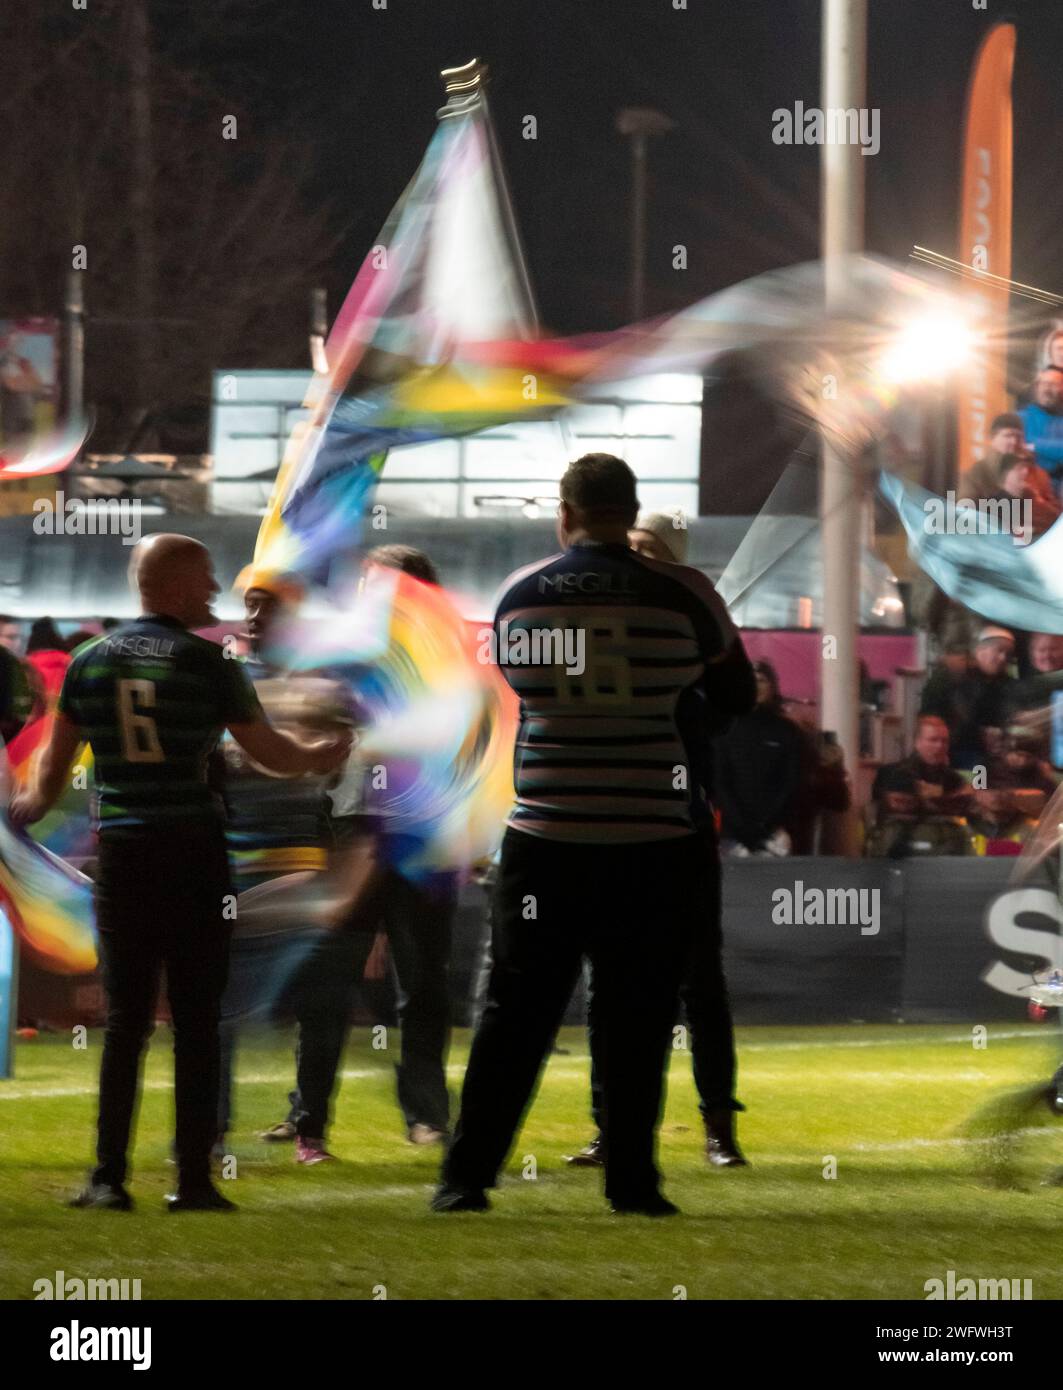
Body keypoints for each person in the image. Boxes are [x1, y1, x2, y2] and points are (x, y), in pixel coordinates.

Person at [434, 453, 756, 1216]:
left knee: (515, 1013)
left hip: (546, 836)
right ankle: (633, 1184)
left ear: (565, 511)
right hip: (650, 837)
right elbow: (735, 694)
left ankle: (464, 1178)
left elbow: (520, 694)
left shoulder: (521, 597)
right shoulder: (682, 593)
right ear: (631, 509)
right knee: (636, 1013)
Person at [9, 534, 350, 1213]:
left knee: (126, 1019)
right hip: (194, 854)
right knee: (198, 1020)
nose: (214, 592)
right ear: (169, 586)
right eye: (205, 580)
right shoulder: (208, 663)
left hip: (125, 859)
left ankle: (108, 1178)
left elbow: (49, 773)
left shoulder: (87, 663)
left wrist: (20, 815)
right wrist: (323, 751)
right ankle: (191, 1180)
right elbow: (271, 753)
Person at [565, 508, 752, 1175]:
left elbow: (732, 705)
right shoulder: (625, 631)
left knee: (700, 985)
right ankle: (610, 1127)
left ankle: (718, 1128)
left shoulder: (687, 627)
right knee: (606, 987)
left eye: (643, 549)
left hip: (679, 823)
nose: (628, 560)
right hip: (613, 821)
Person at [259, 544, 458, 1156]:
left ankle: (425, 1117)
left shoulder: (449, 667)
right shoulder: (343, 657)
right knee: (327, 981)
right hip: (351, 827)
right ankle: (308, 1117)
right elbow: (307, 731)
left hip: (424, 836)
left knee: (421, 986)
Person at [215, 570, 356, 1163]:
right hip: (233, 864)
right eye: (248, 607)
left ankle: (309, 1131)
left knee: (322, 1005)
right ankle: (210, 1129)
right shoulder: (224, 683)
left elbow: (337, 772)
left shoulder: (323, 689)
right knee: (216, 1007)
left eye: (265, 607)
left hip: (302, 861)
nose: (253, 619)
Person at [714, 660, 805, 856]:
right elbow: (719, 780)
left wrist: (765, 824)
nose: (756, 686)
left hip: (773, 836)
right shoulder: (724, 729)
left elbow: (790, 782)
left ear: (773, 686)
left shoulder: (787, 732)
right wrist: (741, 825)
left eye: (762, 680)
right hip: (732, 836)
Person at [919, 626, 1018, 769]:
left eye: (1008, 654)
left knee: (982, 783)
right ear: (981, 650)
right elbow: (929, 714)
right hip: (947, 749)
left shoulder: (1005, 685)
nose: (1003, 658)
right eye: (999, 651)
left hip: (982, 756)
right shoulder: (950, 675)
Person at [1019, 368, 1063, 491]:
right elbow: (1019, 445)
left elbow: (1027, 443)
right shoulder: (1021, 417)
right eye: (1044, 383)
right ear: (1037, 387)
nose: (1047, 389)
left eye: (1053, 384)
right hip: (1030, 487)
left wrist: (1033, 446)